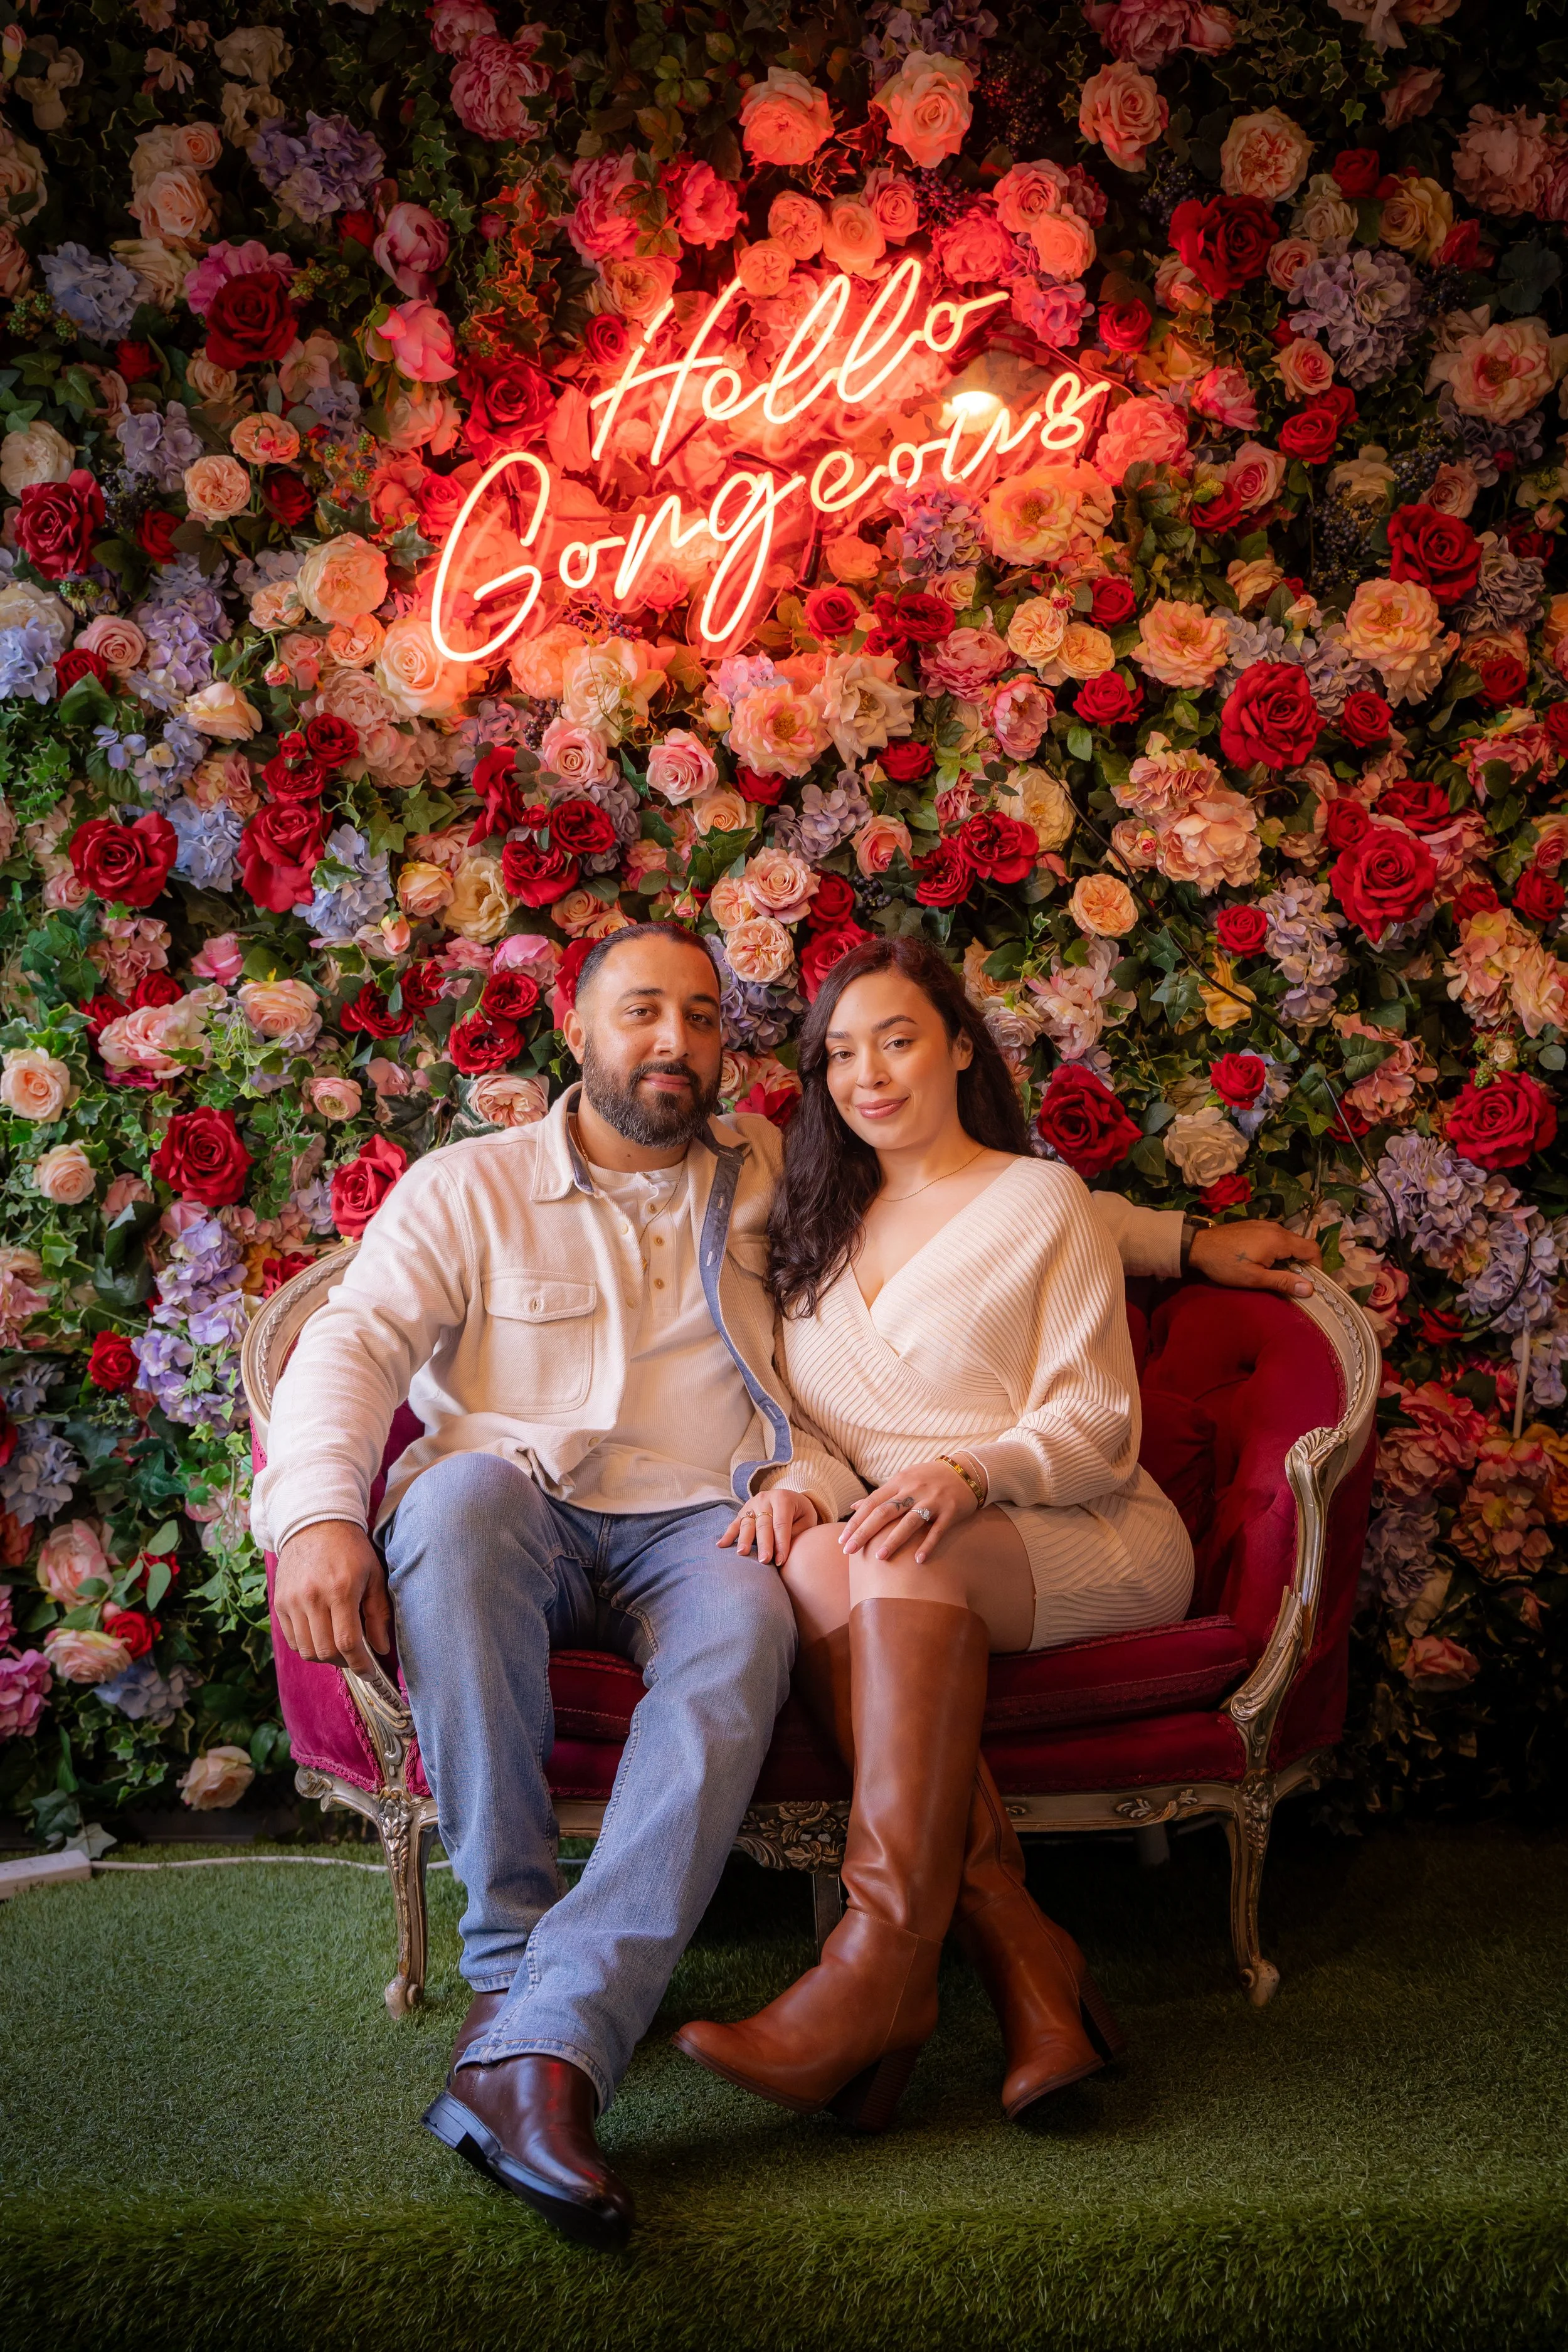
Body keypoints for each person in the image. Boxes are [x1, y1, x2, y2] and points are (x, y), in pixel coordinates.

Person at [258, 923, 1319, 2249]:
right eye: (641, 1012)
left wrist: (1180, 1240)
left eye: (702, 1018)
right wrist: (313, 1517)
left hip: (712, 1526)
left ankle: (605, 2030)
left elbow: (982, 1196)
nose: (673, 1042)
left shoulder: (763, 1168)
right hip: (516, 1508)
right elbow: (352, 1340)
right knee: (460, 1495)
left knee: (760, 1617)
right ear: (574, 1031)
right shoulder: (464, 1187)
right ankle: (514, 1976)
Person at [673, 940, 1229, 2127]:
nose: (867, 1073)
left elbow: (1098, 1425)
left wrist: (970, 1471)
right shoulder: (816, 1224)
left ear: (961, 1046)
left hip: (1078, 1524)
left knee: (882, 1549)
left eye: (898, 1038)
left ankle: (875, 1971)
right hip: (899, 1546)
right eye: (839, 1053)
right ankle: (1030, 1961)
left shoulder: (1041, 1199)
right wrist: (793, 1482)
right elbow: (812, 1425)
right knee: (815, 1553)